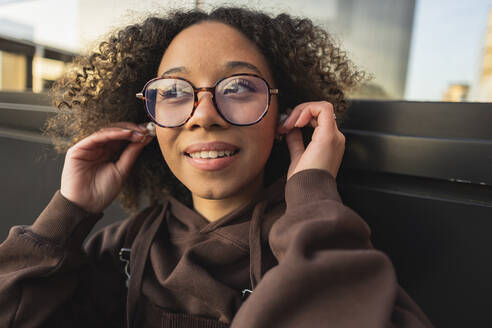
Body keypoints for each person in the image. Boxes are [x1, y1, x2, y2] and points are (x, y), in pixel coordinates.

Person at [0, 6, 433, 328]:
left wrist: (312, 195)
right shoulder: (124, 250)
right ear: (150, 118)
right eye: (173, 91)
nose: (203, 115)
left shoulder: (326, 241)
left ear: (285, 112)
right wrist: (67, 214)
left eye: (240, 86)